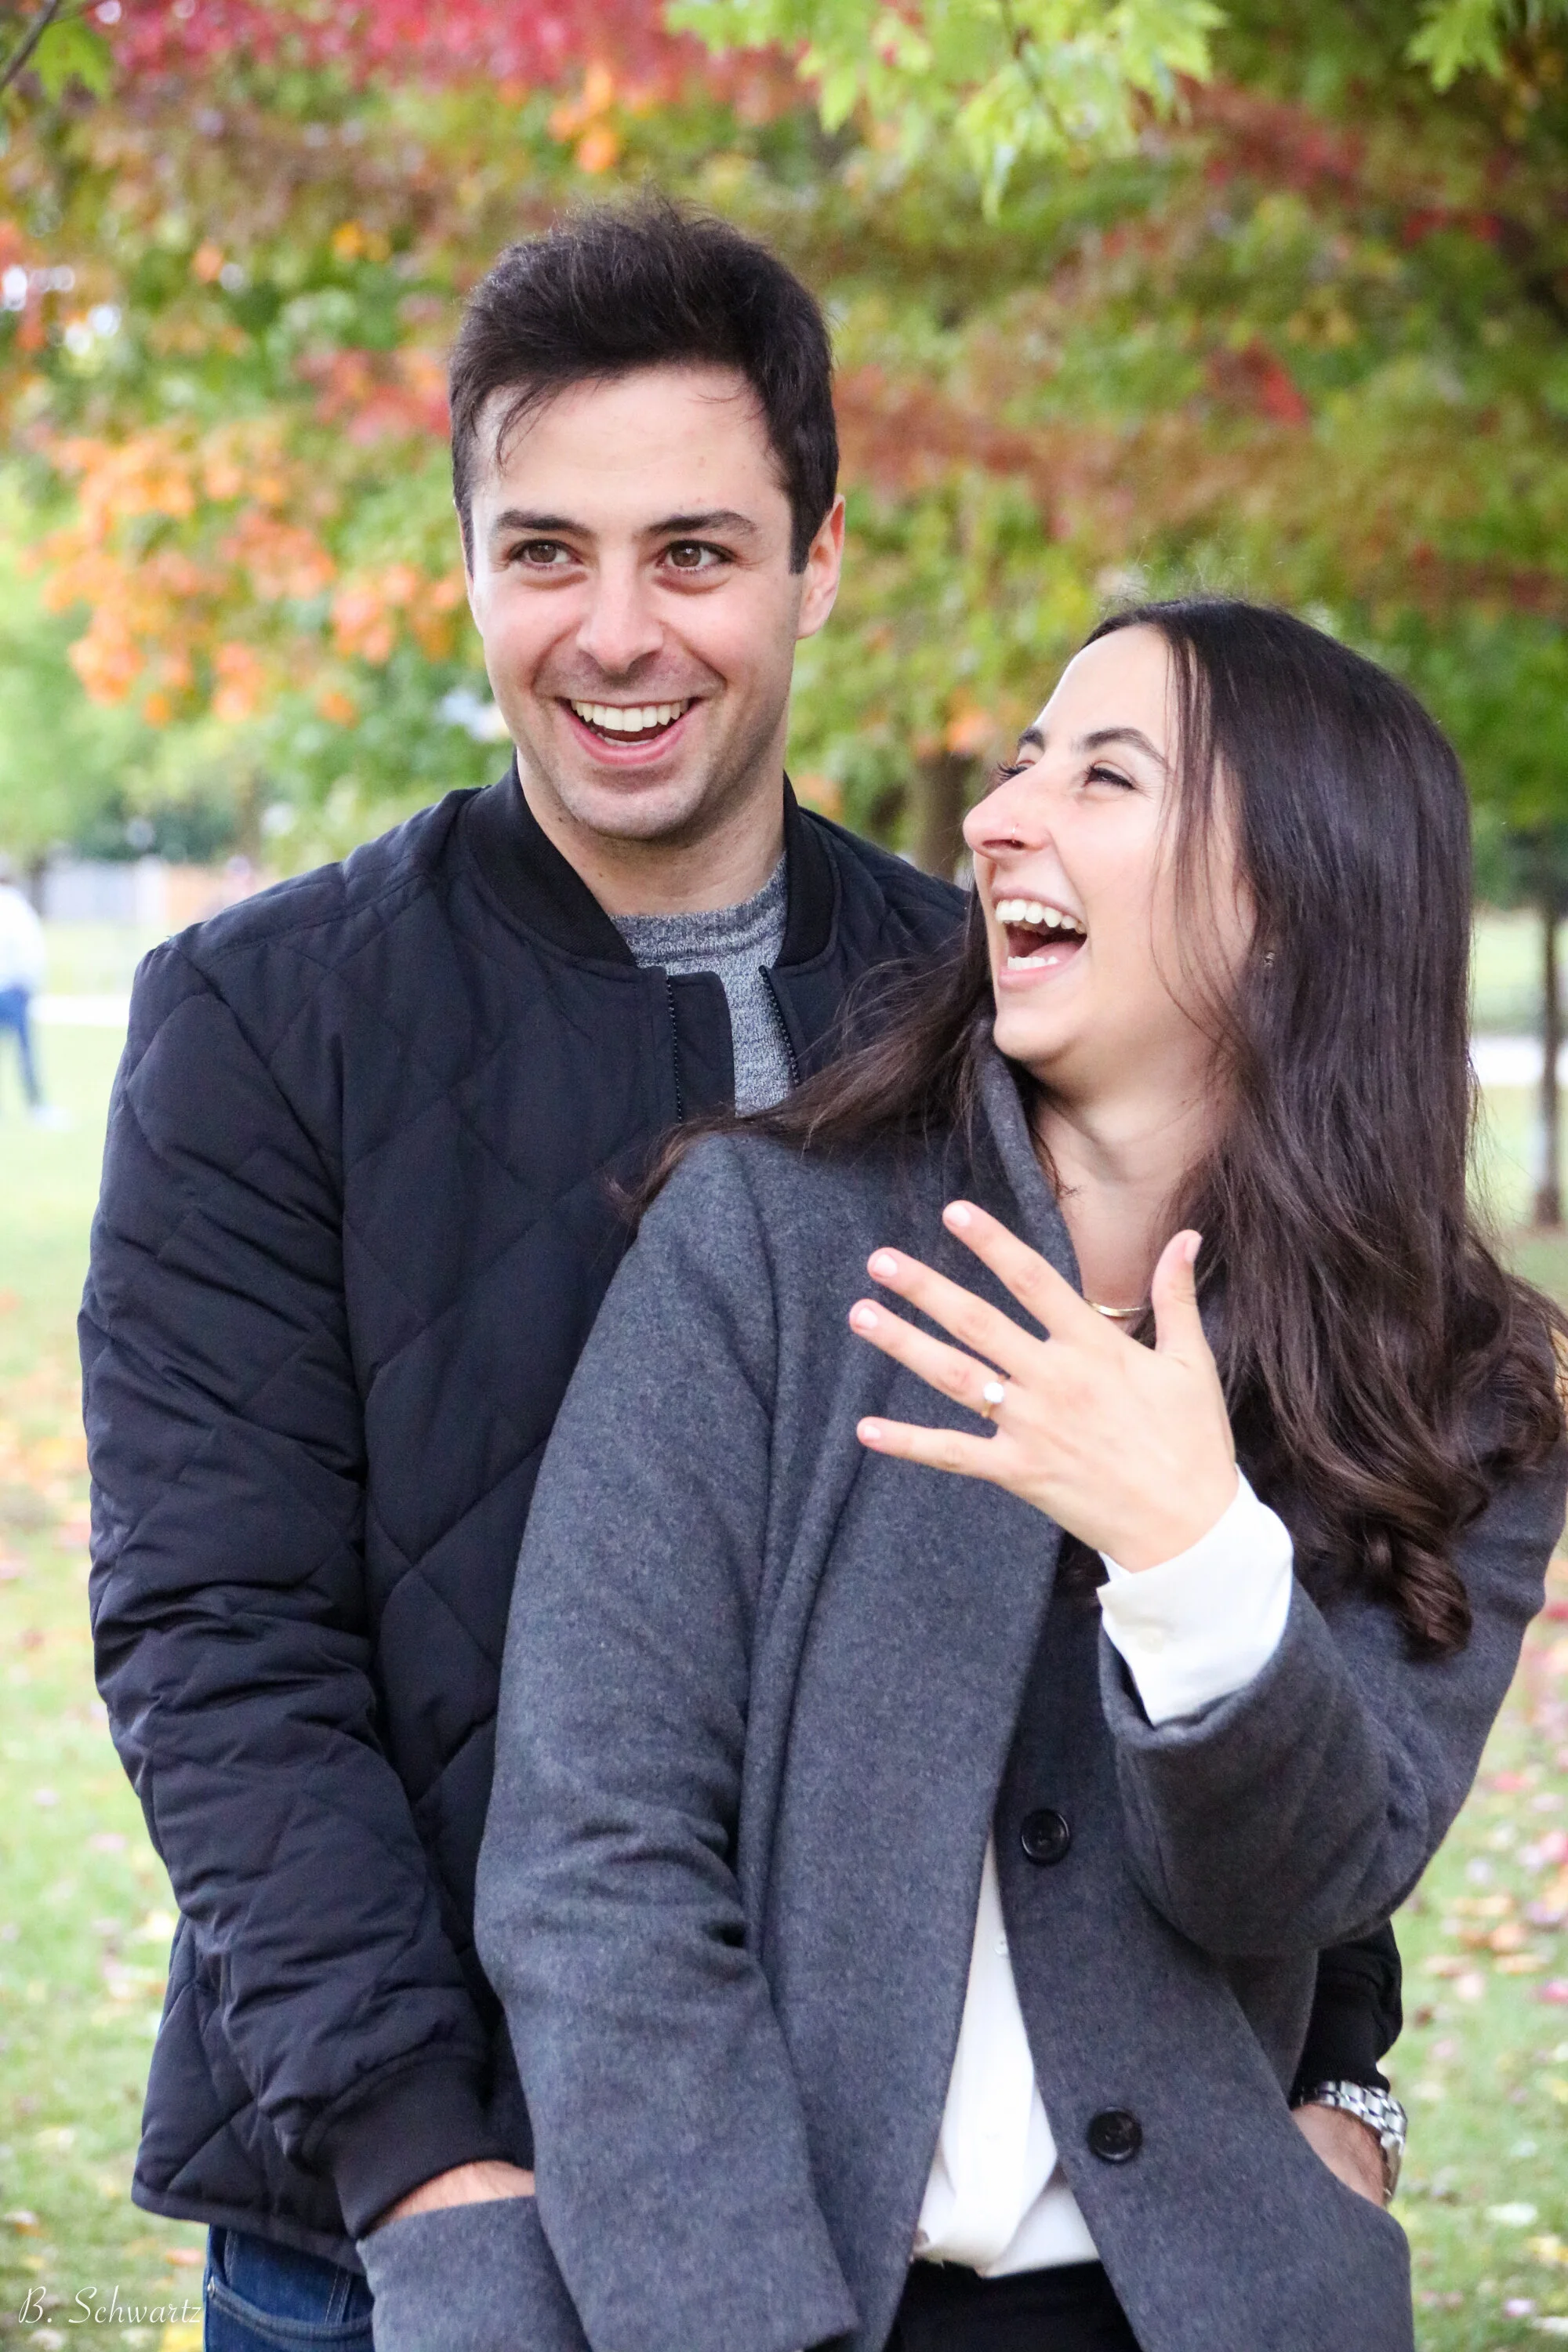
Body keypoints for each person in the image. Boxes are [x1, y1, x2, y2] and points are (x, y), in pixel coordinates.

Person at [81, 196, 1398, 2351]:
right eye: (547, 554)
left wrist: (1337, 2054)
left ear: (818, 561)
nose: (617, 632)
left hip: (890, 2223)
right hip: (408, 2222)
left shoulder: (1000, 995)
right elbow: (220, 1642)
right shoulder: (264, 1022)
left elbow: (1236, 1522)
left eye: (693, 552)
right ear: (473, 564)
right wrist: (432, 2167)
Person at [443, 601, 1568, 2352]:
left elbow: (1311, 1894)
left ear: (1294, 907)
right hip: (764, 2303)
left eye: (1105, 773)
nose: (995, 814)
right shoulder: (767, 1248)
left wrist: (1191, 1555)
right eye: (1025, 755)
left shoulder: (1466, 1394)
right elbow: (599, 1858)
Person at [0, 867, 49, 1118]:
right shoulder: (18, 908)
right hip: (14, 989)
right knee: (25, 1050)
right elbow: (30, 952)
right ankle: (35, 1105)